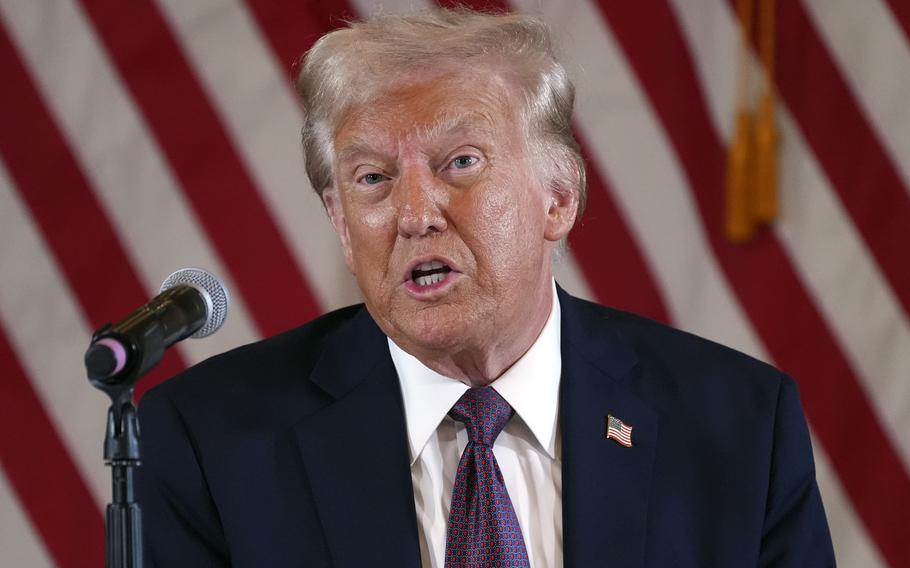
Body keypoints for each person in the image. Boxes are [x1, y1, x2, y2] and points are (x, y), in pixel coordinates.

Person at [136, 8, 835, 567]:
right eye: (372, 178)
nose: (414, 215)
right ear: (342, 227)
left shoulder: (737, 425)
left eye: (460, 162)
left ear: (558, 198)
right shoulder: (210, 441)